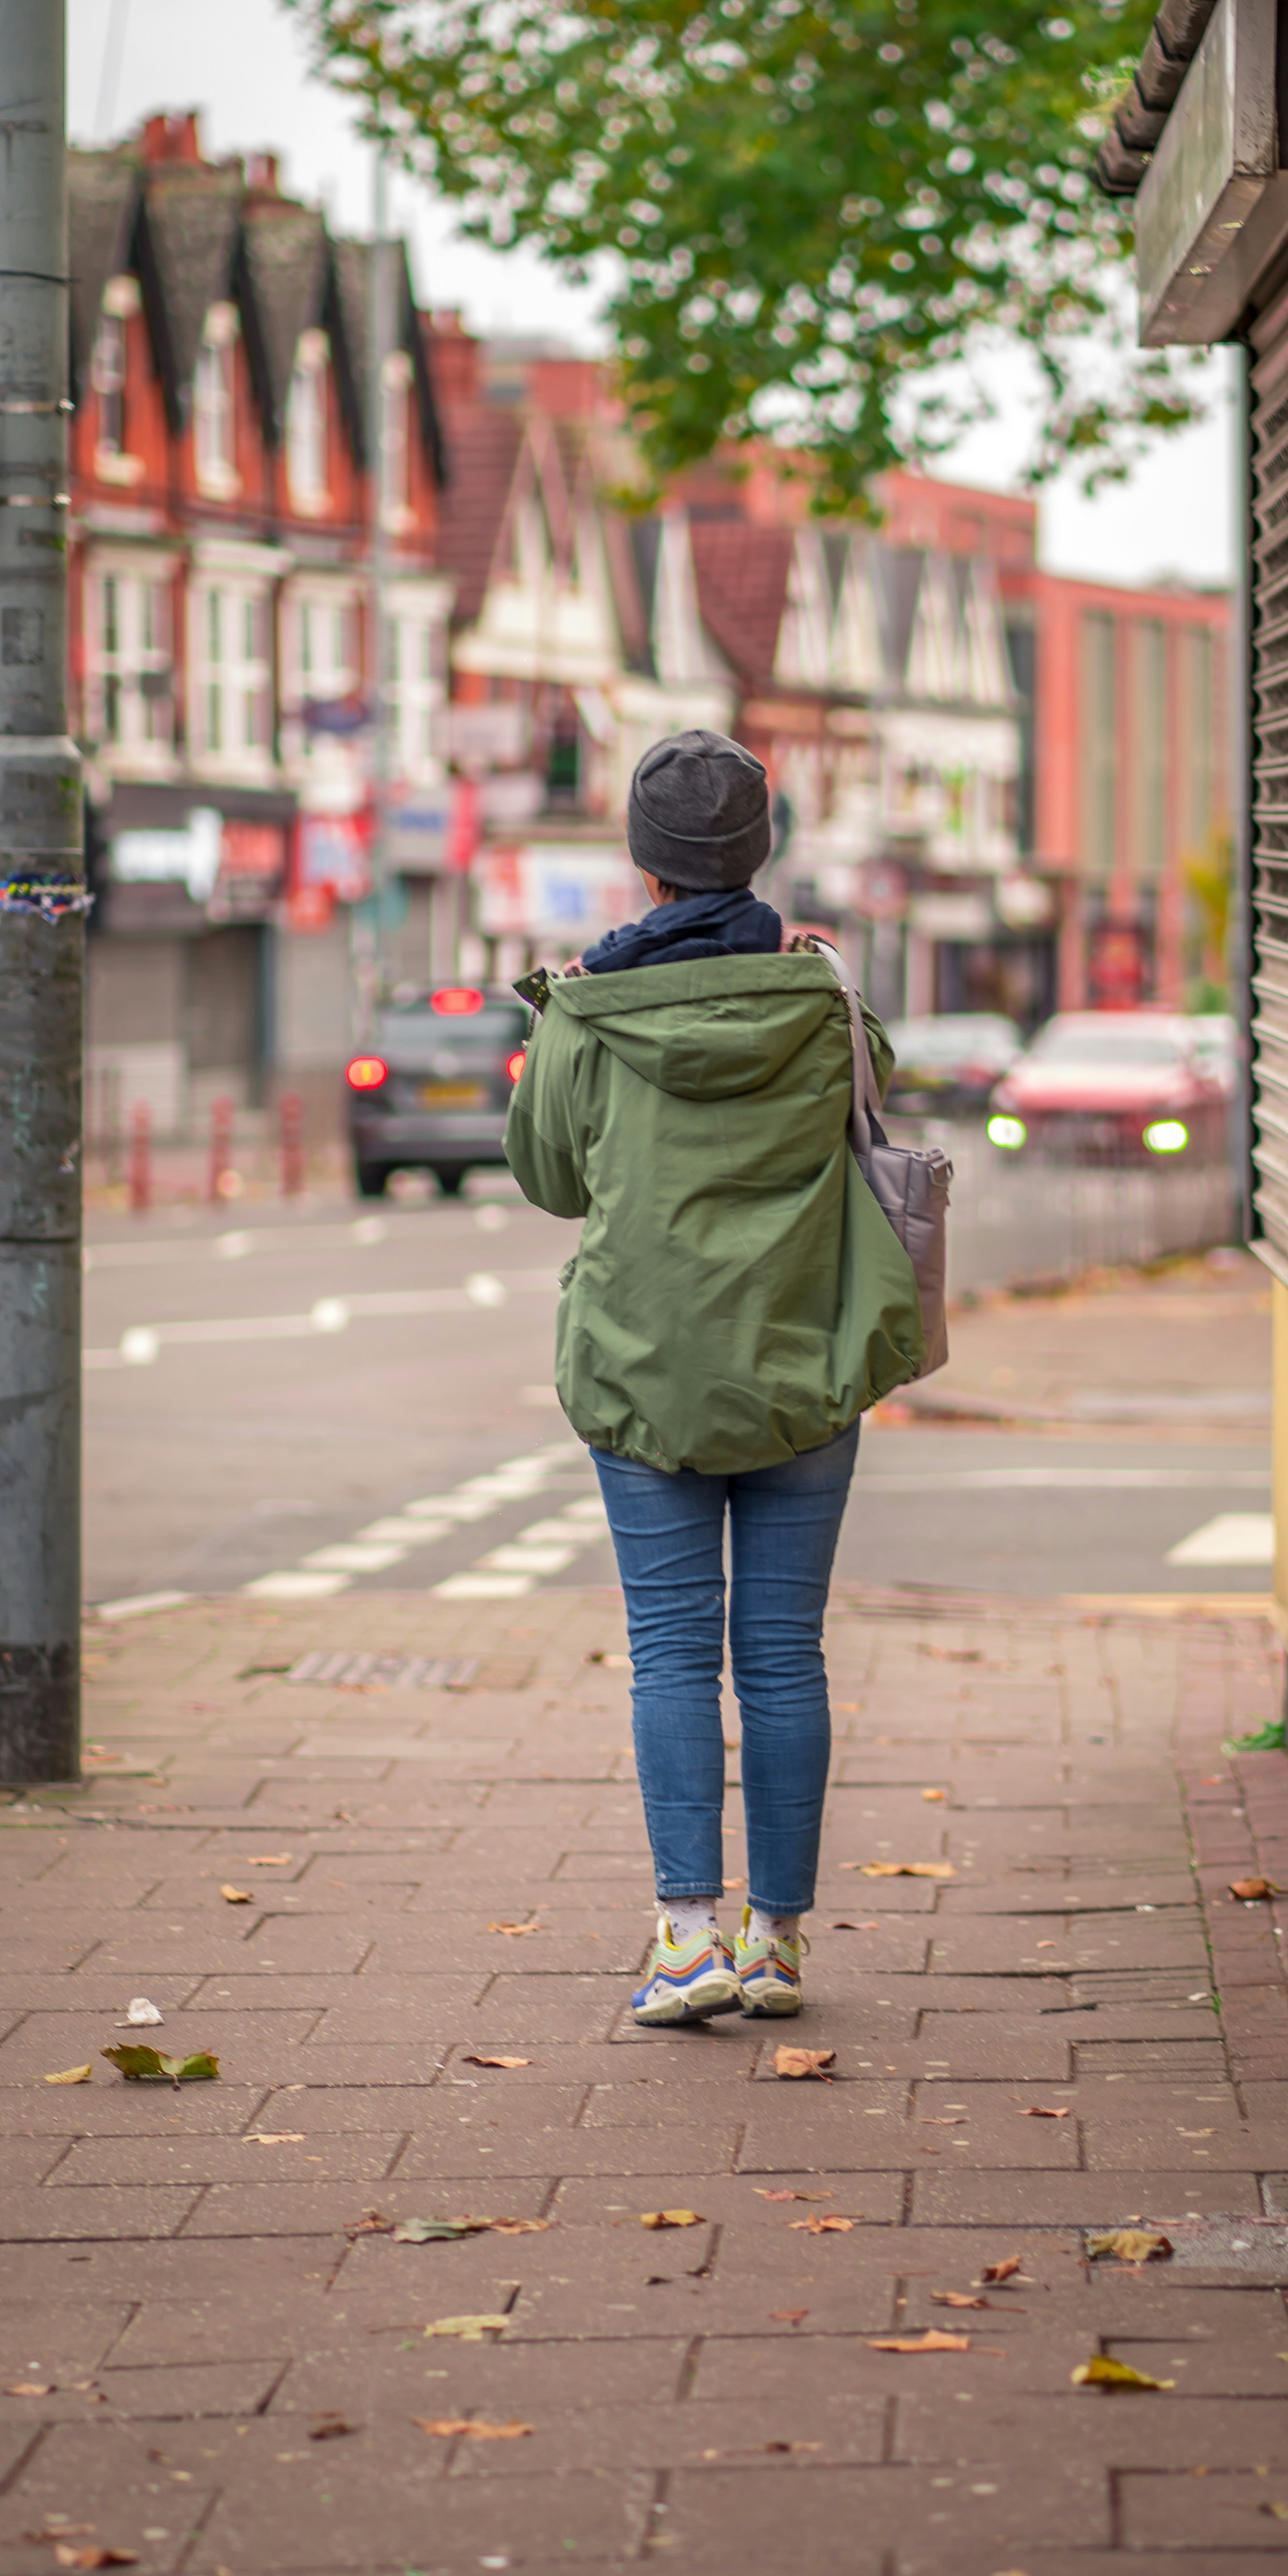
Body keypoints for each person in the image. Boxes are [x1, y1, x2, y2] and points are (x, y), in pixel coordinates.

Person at [504, 728, 924, 2027]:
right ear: (760, 850)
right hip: (804, 1358)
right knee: (784, 1655)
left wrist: (562, 1024)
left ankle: (685, 1940)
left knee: (672, 1655)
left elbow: (550, 1179)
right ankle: (778, 1945)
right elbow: (878, 1106)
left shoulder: (586, 1009)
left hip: (643, 1371)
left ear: (643, 862)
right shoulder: (825, 997)